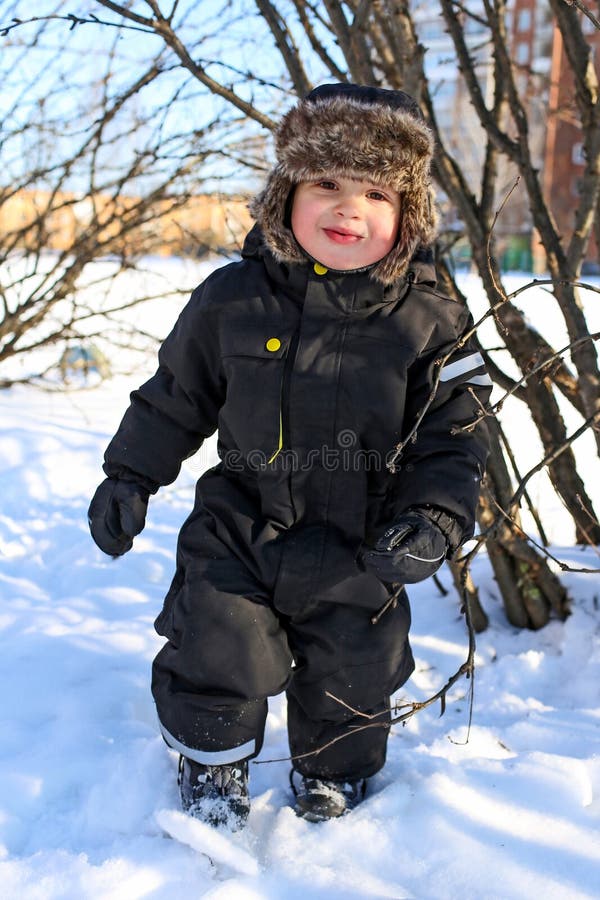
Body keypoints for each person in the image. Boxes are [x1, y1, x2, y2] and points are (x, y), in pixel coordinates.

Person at [88, 83, 492, 830]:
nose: (349, 208)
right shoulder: (231, 299)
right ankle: (213, 768)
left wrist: (434, 517)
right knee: (217, 646)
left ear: (407, 217)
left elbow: (455, 432)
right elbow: (177, 392)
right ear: (285, 194)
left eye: (376, 193)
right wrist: (130, 473)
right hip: (242, 524)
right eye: (327, 184)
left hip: (360, 542)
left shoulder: (430, 318)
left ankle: (334, 775)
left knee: (353, 669)